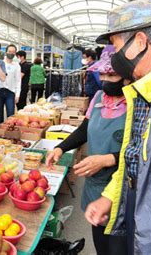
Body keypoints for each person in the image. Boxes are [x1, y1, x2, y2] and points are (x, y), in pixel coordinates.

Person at [84, 0, 151, 254]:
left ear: (140, 41)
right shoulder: (143, 95)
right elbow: (135, 161)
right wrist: (110, 197)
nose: (114, 59)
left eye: (116, 46)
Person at [46, 45, 128, 255]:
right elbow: (84, 129)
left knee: (119, 244)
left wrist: (108, 159)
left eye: (112, 74)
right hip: (95, 184)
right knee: (101, 240)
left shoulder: (138, 103)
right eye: (102, 74)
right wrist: (61, 148)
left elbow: (142, 151)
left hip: (123, 186)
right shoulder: (99, 98)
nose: (106, 79)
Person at [0, 44, 21, 122]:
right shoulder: (0, 63)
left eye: (13, 52)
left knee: (11, 115)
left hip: (10, 92)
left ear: (15, 53)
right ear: (6, 52)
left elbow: (18, 81)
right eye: (9, 51)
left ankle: (10, 132)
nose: (11, 53)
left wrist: (17, 95)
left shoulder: (16, 65)